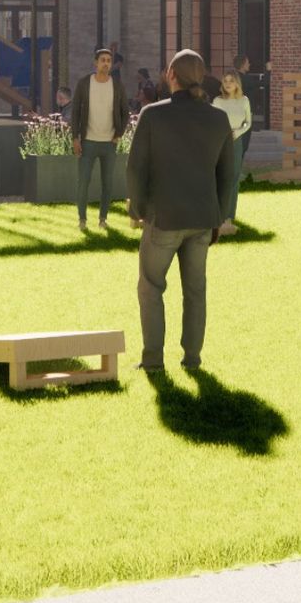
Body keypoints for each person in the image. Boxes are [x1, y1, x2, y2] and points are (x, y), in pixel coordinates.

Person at [126, 50, 236, 371]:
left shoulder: (153, 114)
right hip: (203, 219)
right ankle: (192, 359)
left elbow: (135, 169)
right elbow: (227, 174)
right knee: (196, 291)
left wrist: (138, 210)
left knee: (150, 287)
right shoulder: (218, 119)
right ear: (199, 77)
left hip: (164, 218)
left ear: (171, 75)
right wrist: (219, 216)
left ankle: (153, 360)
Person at [69, 48, 130, 231]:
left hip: (109, 143)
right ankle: (82, 220)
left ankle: (103, 219)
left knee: (108, 183)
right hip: (88, 141)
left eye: (109, 60)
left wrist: (119, 133)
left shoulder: (117, 85)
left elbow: (125, 112)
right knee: (84, 181)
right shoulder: (84, 84)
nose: (106, 63)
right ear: (95, 63)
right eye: (102, 60)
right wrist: (75, 138)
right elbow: (75, 112)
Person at [212, 71, 253, 236]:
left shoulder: (244, 101)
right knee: (220, 176)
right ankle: (217, 214)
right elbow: (211, 122)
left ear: (237, 83)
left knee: (234, 178)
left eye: (231, 81)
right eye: (225, 80)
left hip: (236, 141)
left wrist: (238, 133)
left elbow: (248, 122)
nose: (228, 84)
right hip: (220, 141)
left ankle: (229, 216)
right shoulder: (217, 101)